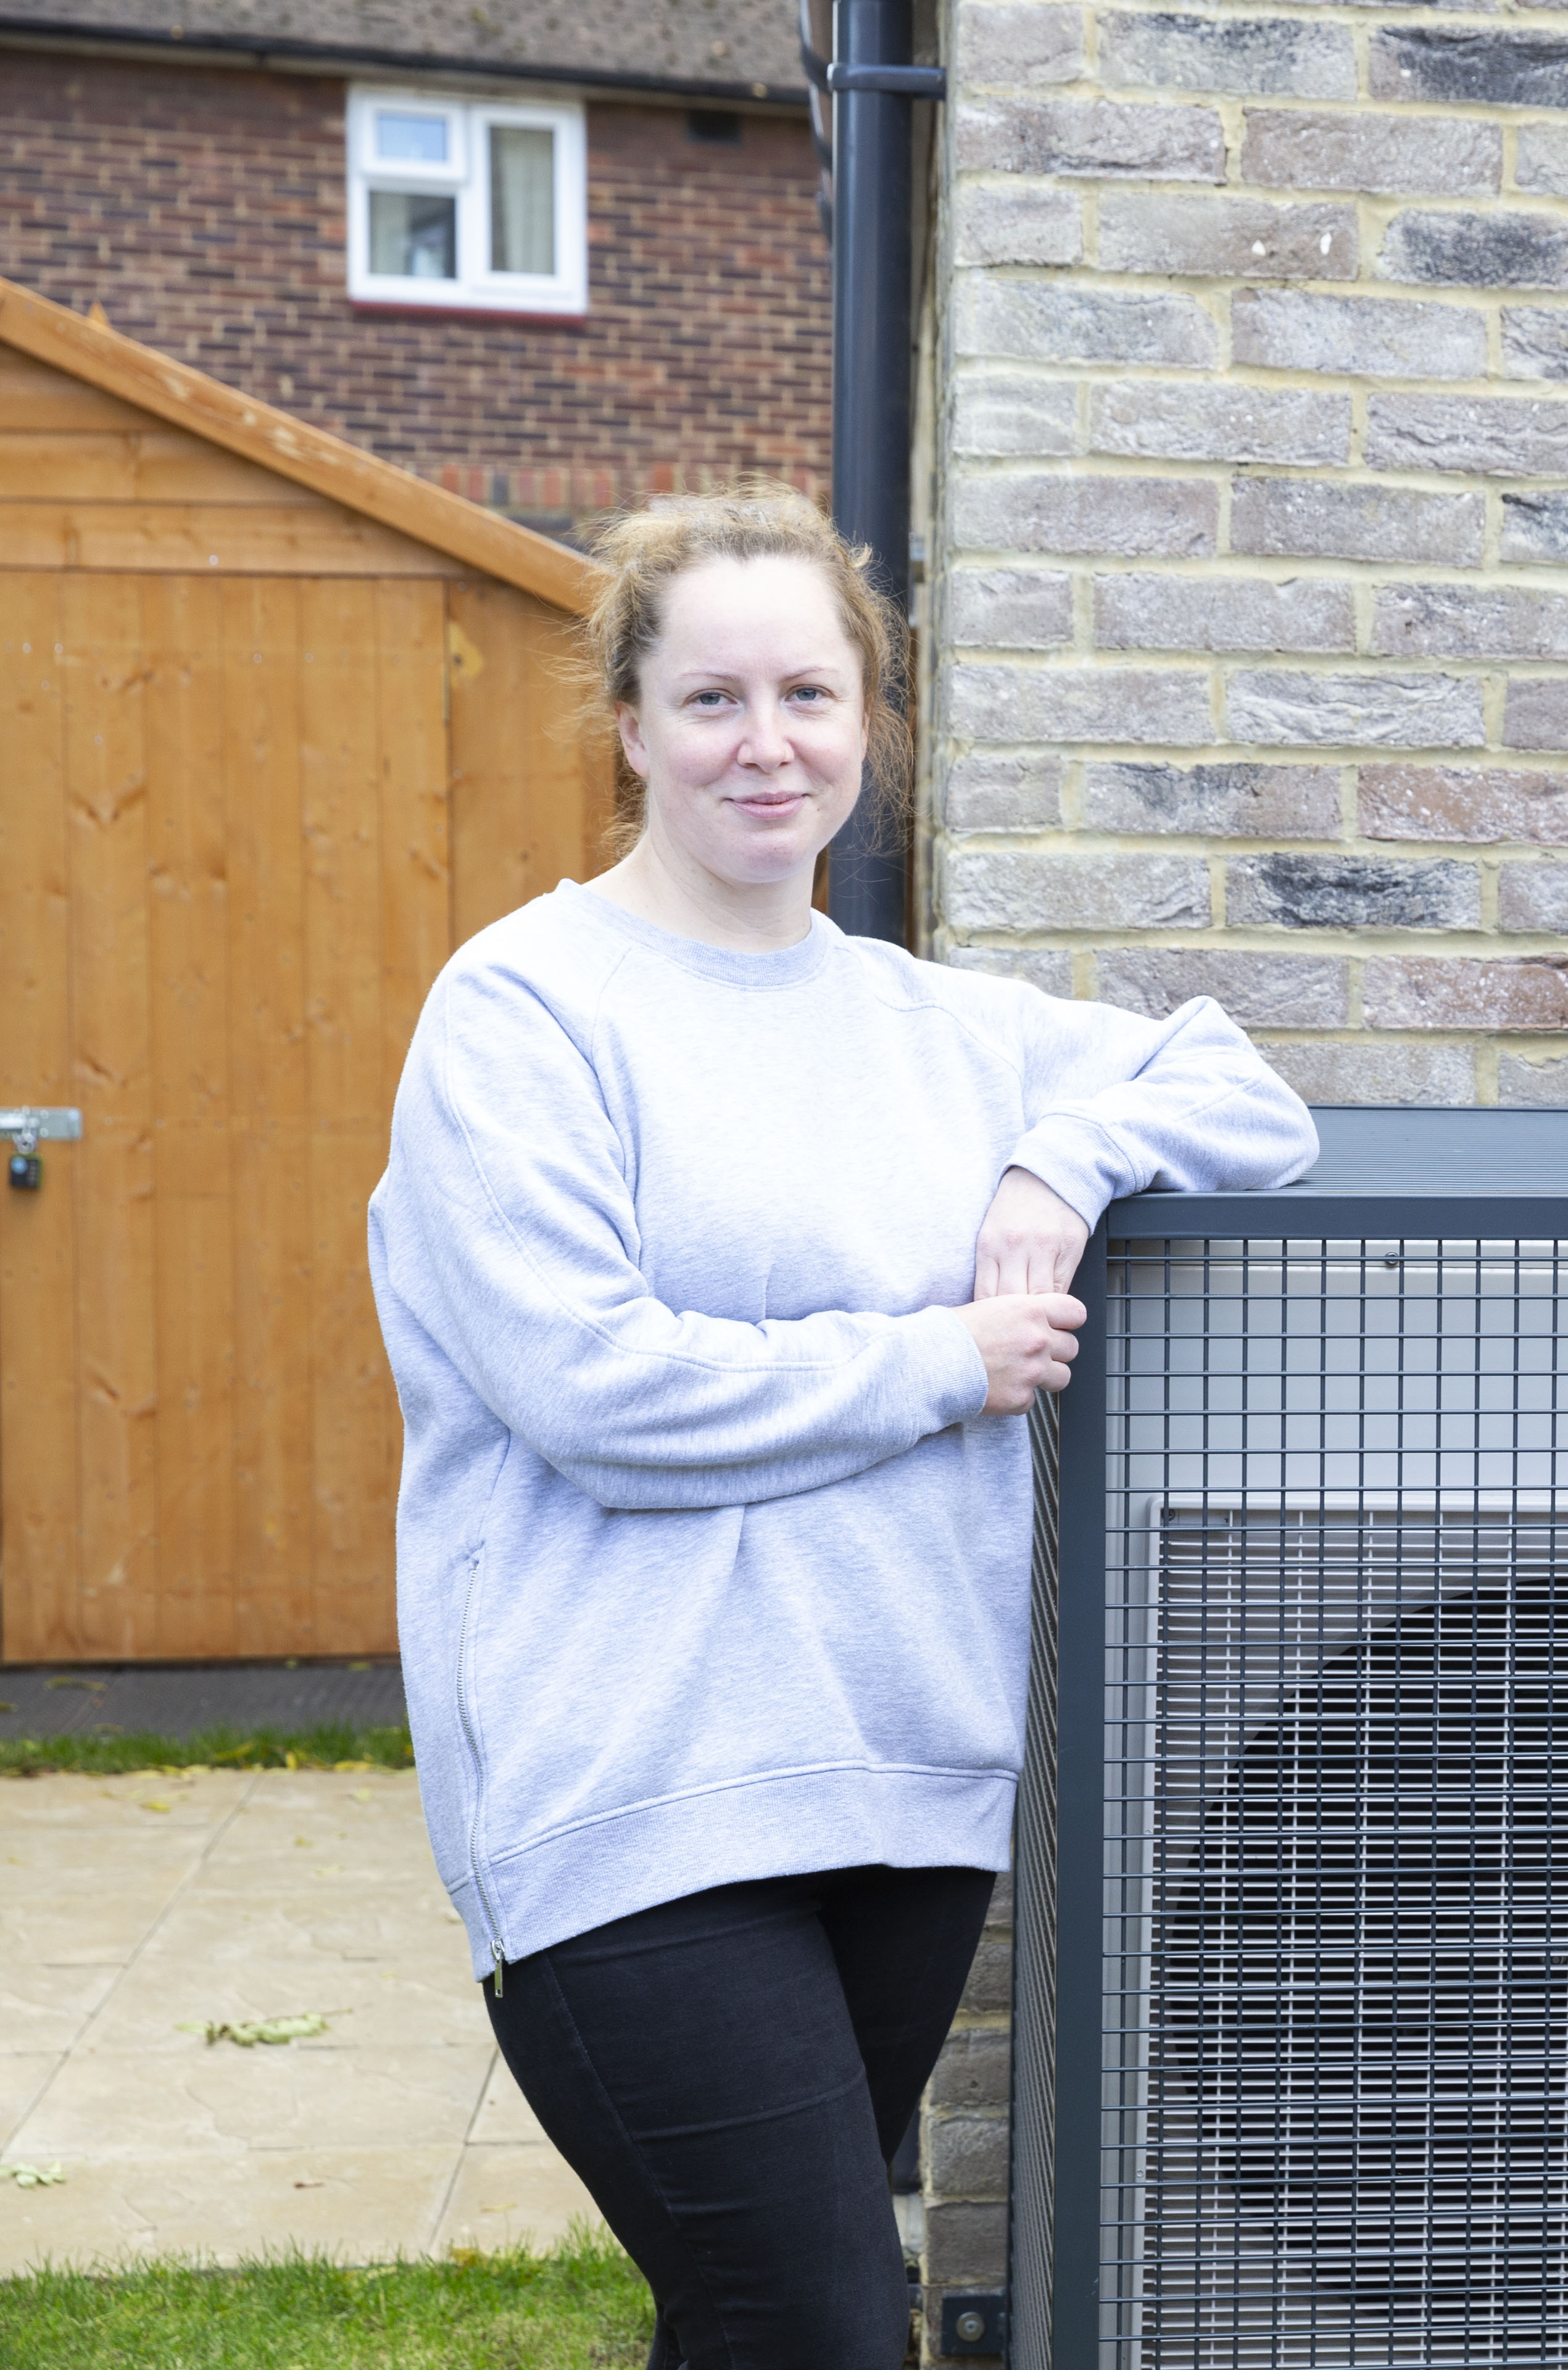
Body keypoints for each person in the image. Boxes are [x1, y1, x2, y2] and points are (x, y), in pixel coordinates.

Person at [367, 486, 1317, 2367]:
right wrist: (941, 1361)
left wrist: (1066, 1154)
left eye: (812, 691)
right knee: (814, 2320)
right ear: (628, 726)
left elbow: (1251, 1096)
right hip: (627, 1798)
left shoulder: (942, 1028)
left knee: (753, 2319)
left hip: (899, 1780)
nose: (767, 741)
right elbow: (595, 1390)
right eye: (711, 698)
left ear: (871, 722)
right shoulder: (527, 1015)